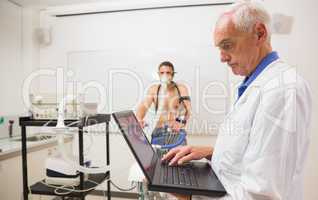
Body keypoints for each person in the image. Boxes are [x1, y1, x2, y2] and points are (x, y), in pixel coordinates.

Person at [162, 1, 312, 200]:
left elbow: (261, 195)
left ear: (259, 33)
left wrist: (189, 198)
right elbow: (250, 155)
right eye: (219, 48)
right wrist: (211, 153)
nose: (222, 57)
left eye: (227, 45)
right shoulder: (254, 84)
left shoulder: (282, 90)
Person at [136, 61, 191, 146]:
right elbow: (143, 106)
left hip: (175, 133)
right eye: (162, 73)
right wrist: (139, 119)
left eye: (168, 72)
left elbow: (188, 109)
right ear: (159, 74)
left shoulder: (181, 88)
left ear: (173, 74)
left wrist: (181, 122)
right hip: (159, 132)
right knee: (157, 159)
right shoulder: (154, 89)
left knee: (179, 158)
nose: (165, 75)